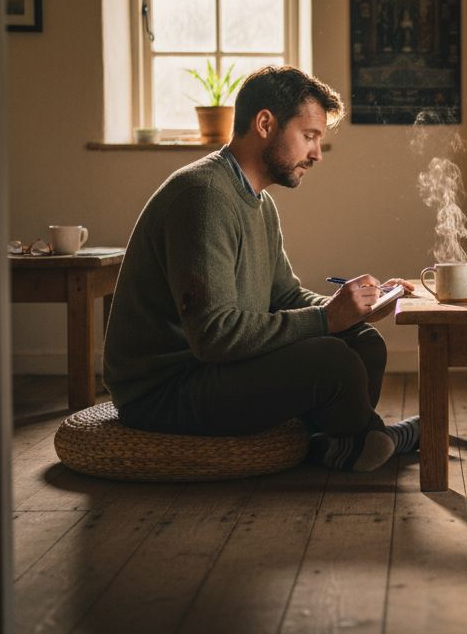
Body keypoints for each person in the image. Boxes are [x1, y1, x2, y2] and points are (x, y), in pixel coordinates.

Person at [103, 66, 418, 472]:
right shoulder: (203, 196)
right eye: (309, 137)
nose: (317, 154)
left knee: (364, 342)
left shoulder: (259, 203)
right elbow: (215, 337)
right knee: (331, 360)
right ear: (266, 123)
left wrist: (352, 309)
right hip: (163, 390)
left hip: (211, 370)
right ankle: (369, 439)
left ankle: (344, 443)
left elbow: (284, 297)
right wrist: (326, 319)